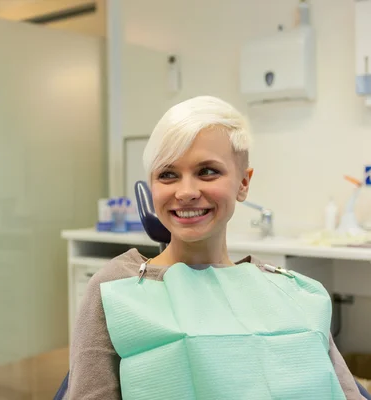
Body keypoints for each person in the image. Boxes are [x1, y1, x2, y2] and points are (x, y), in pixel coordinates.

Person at [68, 96, 364, 399]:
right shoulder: (116, 286)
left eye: (207, 171)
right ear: (151, 186)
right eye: (168, 175)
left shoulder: (290, 293)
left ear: (243, 184)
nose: (186, 192)